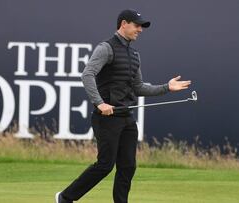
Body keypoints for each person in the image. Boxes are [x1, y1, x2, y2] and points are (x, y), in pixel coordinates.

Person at [55, 9, 191, 203]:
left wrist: (166, 87)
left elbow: (138, 87)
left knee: (128, 166)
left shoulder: (134, 55)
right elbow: (87, 75)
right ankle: (65, 197)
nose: (140, 30)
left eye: (141, 27)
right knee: (105, 165)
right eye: (137, 26)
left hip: (127, 118)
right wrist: (100, 103)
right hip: (107, 118)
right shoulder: (106, 48)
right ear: (124, 24)